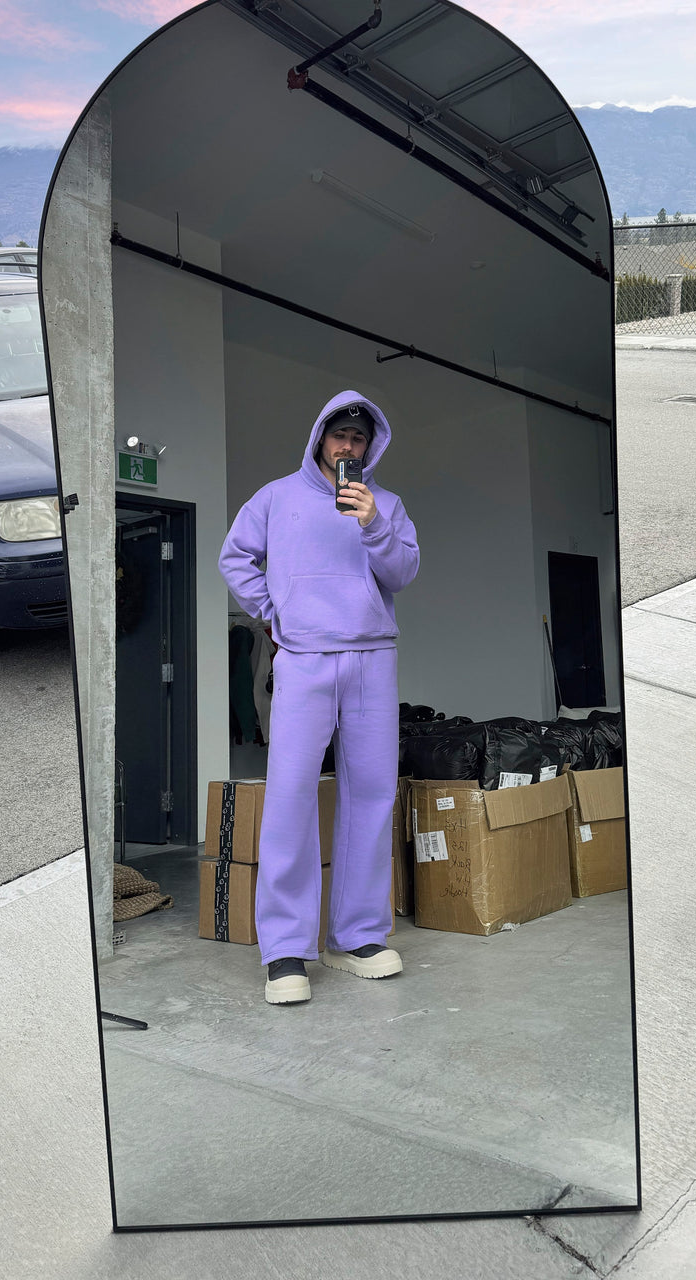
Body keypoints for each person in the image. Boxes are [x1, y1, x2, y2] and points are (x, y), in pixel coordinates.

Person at [219, 391, 420, 1004]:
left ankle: (358, 936)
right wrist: (273, 613)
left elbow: (404, 573)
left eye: (359, 439)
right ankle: (284, 950)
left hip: (372, 658)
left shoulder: (385, 505)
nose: (348, 448)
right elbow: (235, 558)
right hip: (304, 658)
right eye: (340, 436)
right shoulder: (274, 498)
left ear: (370, 447)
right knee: (288, 795)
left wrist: (372, 524)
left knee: (371, 792)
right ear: (320, 439)